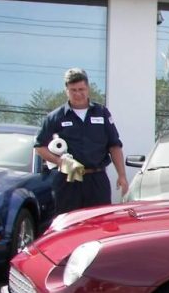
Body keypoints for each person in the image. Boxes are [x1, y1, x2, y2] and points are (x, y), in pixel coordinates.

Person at [35, 68, 128, 214]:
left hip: (97, 179)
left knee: (100, 221)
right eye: (73, 90)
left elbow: (114, 145)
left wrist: (122, 175)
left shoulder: (102, 113)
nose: (78, 94)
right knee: (69, 222)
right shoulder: (56, 117)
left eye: (81, 89)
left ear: (88, 88)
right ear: (66, 90)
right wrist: (60, 162)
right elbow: (39, 147)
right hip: (68, 180)